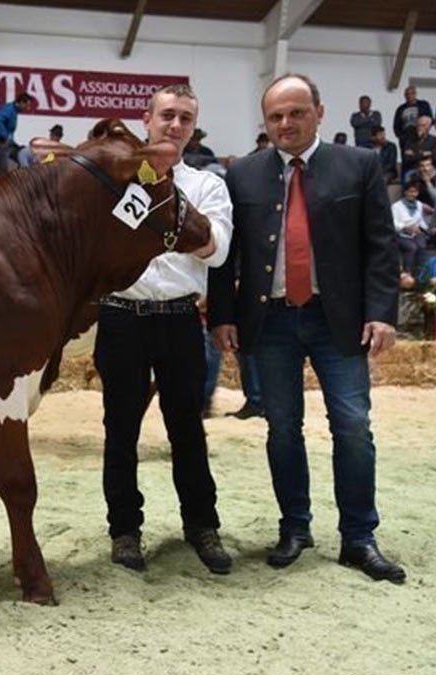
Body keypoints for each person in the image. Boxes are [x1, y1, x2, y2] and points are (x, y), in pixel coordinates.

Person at [209, 73, 405, 583]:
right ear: (266, 121)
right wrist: (224, 315)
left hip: (336, 320)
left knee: (353, 428)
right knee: (282, 430)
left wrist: (382, 311)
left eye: (296, 112)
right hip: (268, 320)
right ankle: (295, 528)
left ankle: (359, 537)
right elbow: (226, 260)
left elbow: (381, 246)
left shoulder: (360, 165)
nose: (286, 123)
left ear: (320, 112)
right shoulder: (241, 175)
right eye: (275, 116)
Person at [95, 83, 234, 575]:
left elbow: (216, 249)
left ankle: (202, 524)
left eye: (185, 119)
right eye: (167, 116)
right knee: (121, 430)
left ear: (194, 127)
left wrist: (167, 206)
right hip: (120, 316)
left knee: (187, 429)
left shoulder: (207, 186)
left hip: (178, 317)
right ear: (146, 119)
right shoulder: (117, 181)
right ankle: (125, 531)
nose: (175, 125)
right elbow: (102, 248)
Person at [392, 178, 431, 277]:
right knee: (411, 247)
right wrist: (405, 227)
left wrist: (423, 228)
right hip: (401, 234)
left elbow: (420, 220)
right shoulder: (396, 206)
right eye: (410, 191)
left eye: (415, 192)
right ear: (405, 192)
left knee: (421, 246)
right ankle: (407, 274)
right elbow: (393, 223)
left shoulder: (419, 204)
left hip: (415, 233)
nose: (412, 194)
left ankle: (422, 275)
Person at [0, 92, 34, 176]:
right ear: (21, 102)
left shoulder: (14, 111)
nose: (27, 108)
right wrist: (5, 136)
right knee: (3, 169)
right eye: (27, 105)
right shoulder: (9, 109)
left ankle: (18, 179)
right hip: (0, 142)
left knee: (22, 157)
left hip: (8, 142)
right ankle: (2, 186)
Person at [393, 85, 433, 157]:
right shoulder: (401, 108)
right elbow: (396, 124)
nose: (409, 96)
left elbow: (430, 119)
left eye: (411, 93)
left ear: (415, 94)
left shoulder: (423, 105)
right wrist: (400, 136)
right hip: (406, 138)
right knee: (407, 157)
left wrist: (425, 132)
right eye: (407, 94)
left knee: (422, 156)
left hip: (421, 137)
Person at [400, 115, 435, 182]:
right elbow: (407, 158)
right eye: (418, 125)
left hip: (430, 169)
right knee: (408, 177)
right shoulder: (410, 141)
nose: (420, 128)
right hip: (414, 169)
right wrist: (424, 153)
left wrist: (415, 154)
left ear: (428, 126)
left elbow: (434, 157)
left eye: (423, 125)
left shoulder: (434, 140)